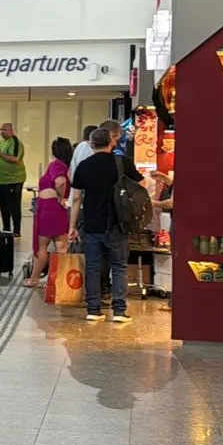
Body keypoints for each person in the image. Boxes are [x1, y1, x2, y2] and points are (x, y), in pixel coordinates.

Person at [69, 125, 142, 323]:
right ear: (112, 142)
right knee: (119, 266)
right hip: (118, 223)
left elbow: (77, 198)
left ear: (91, 144)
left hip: (92, 224)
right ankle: (119, 311)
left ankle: (93, 309)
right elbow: (140, 187)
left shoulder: (84, 166)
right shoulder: (122, 163)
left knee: (93, 267)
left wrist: (72, 226)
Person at [25, 137, 74, 288]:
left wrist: (60, 197)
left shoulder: (56, 164)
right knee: (61, 245)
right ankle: (59, 280)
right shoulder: (67, 166)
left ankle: (34, 279)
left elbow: (60, 182)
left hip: (49, 208)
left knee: (42, 246)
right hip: (58, 210)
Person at [0, 121, 27, 236]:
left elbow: (15, 158)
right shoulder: (2, 142)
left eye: (4, 130)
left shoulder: (15, 142)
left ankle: (16, 231)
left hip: (13, 180)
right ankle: (6, 228)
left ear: (11, 131)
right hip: (1, 180)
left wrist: (0, 154)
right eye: (1, 130)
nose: (2, 132)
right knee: (3, 205)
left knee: (14, 205)